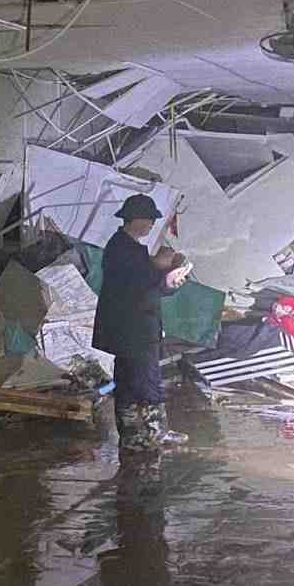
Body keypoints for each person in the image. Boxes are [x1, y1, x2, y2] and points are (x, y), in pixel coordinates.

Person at [92, 193, 189, 451]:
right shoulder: (126, 251)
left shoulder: (122, 246)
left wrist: (162, 272)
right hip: (136, 330)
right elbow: (141, 289)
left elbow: (142, 282)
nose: (150, 226)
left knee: (126, 382)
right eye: (148, 220)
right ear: (135, 220)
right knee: (147, 380)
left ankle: (132, 435)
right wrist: (165, 275)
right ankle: (156, 433)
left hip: (126, 330)